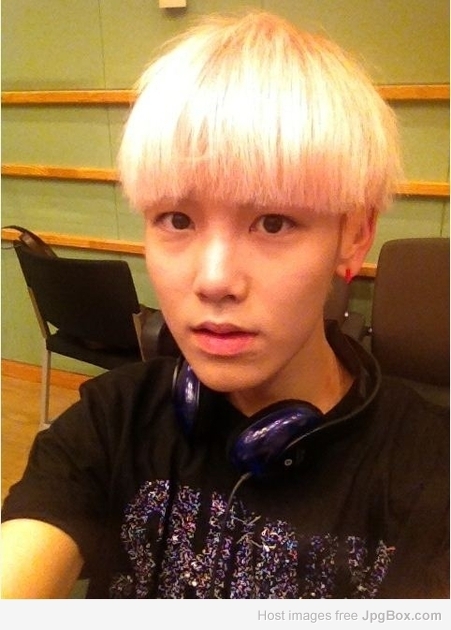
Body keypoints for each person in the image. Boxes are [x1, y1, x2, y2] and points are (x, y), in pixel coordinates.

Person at [1, 11, 448, 599]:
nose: (214, 281)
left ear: (354, 235)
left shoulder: (431, 472)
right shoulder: (111, 421)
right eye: (176, 219)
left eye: (273, 222)